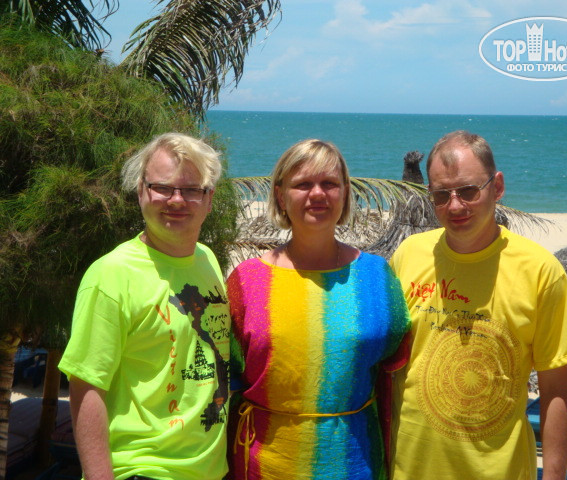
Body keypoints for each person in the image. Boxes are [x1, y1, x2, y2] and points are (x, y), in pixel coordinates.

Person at [389, 131, 567, 480]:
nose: (454, 206)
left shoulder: (540, 271)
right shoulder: (408, 255)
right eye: (441, 195)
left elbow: (556, 388)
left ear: (497, 187)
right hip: (406, 469)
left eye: (468, 191)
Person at [226, 139, 410, 480]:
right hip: (263, 465)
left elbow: (395, 378)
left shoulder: (376, 277)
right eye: (302, 184)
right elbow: (228, 381)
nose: (317, 194)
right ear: (281, 196)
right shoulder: (247, 281)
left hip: (355, 464)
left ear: (345, 194)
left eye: (329, 183)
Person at [58, 133, 231, 480]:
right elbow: (86, 386)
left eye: (191, 190)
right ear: (141, 192)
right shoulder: (111, 275)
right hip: (142, 469)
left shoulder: (208, 260)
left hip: (210, 471)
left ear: (209, 199)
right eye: (162, 187)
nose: (176, 200)